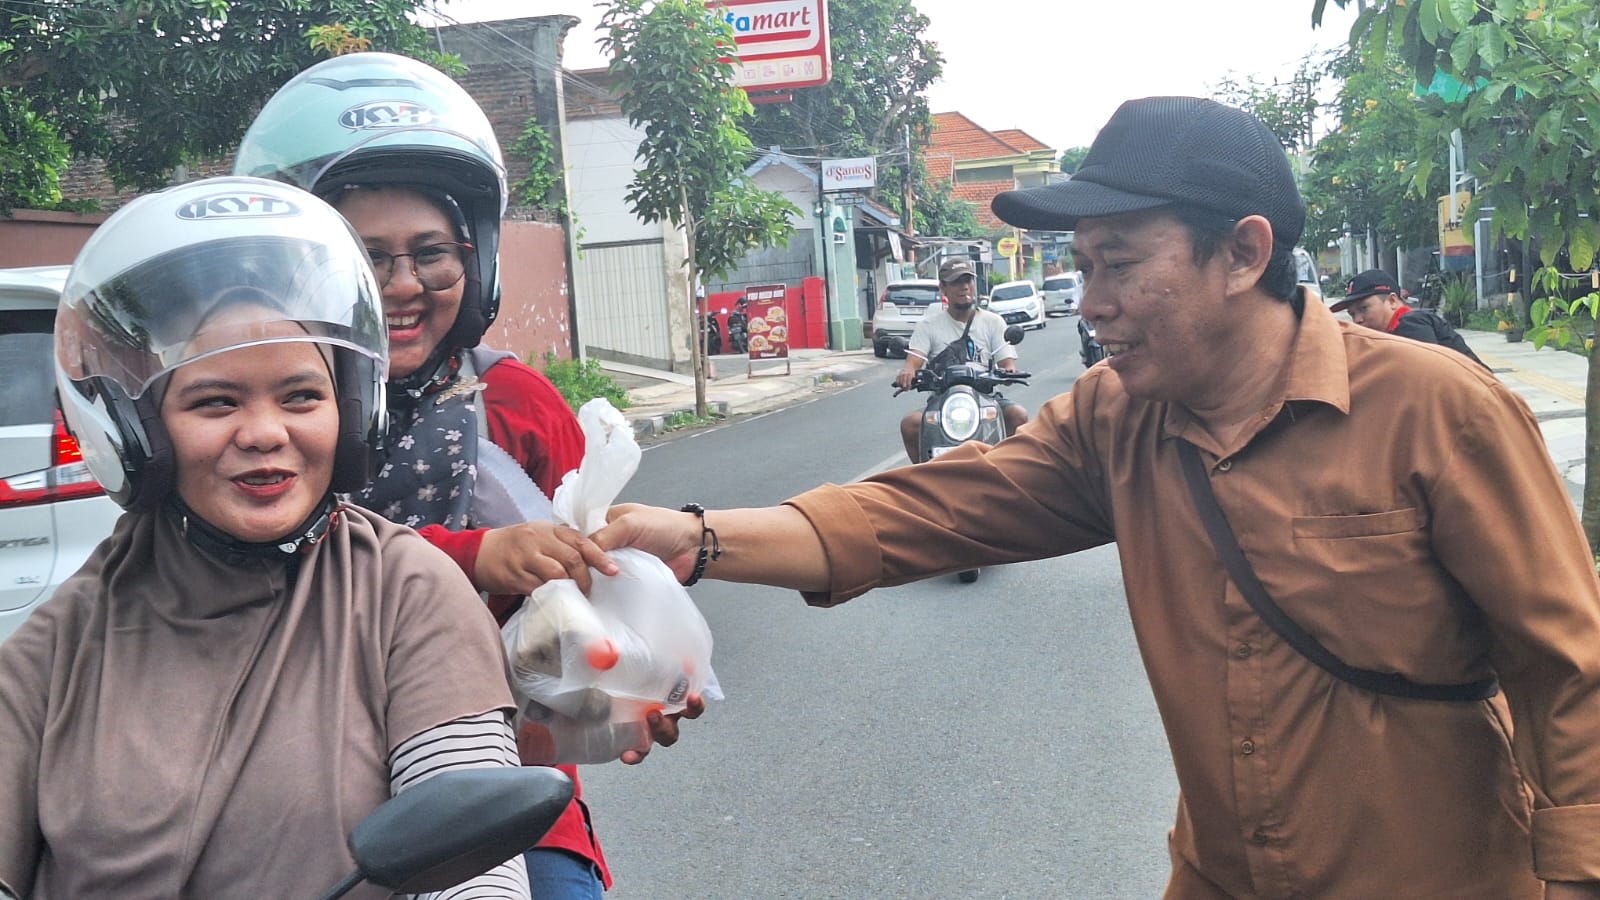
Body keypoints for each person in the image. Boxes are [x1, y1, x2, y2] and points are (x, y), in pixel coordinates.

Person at [595, 97, 1600, 899]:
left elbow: (1570, 669)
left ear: (1243, 253)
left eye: (1119, 264)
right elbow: (923, 512)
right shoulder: (1113, 420)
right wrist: (693, 538)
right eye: (1082, 268)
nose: (1093, 303)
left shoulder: (1437, 410)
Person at [234, 52, 698, 899]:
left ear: (474, 260)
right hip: (291, 797)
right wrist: (477, 554)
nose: (404, 285)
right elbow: (250, 578)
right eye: (365, 258)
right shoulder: (264, 418)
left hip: (498, 793)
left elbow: (588, 596)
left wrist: (634, 676)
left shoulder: (515, 401)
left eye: (432, 254)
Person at [0, 176, 534, 898]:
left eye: (301, 396)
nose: (263, 433)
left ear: (352, 411)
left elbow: (472, 864)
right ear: (137, 434)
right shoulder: (59, 645)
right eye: (216, 402)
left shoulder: (405, 594)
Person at [894, 257, 1029, 462]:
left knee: (1018, 415)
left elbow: (1007, 363)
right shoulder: (928, 326)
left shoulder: (993, 322)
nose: (964, 287)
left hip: (986, 397)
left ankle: (1008, 470)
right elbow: (914, 361)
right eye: (956, 282)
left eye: (967, 280)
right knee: (910, 424)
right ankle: (923, 474)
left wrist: (1009, 372)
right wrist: (908, 372)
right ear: (943, 288)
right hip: (941, 399)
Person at [1331, 268, 1488, 367]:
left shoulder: (1410, 324)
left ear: (1392, 301)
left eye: (1363, 309)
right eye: (1352, 314)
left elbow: (1424, 378)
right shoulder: (1397, 330)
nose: (1357, 320)